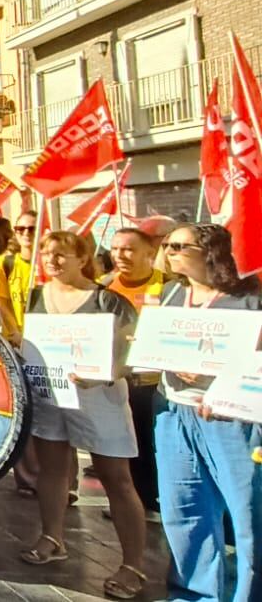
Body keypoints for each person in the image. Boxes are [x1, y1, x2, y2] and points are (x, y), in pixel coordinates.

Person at [19, 231, 145, 600]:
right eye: (47, 253)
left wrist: (106, 373)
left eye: (61, 254)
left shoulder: (109, 300)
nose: (52, 260)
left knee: (116, 478)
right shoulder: (35, 296)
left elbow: (133, 352)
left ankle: (133, 565)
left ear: (82, 259)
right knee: (52, 469)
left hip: (99, 398)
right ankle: (52, 538)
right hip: (50, 395)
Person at [154, 222, 261, 602]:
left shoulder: (249, 298)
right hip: (175, 413)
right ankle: (194, 595)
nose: (169, 252)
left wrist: (221, 380)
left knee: (249, 517)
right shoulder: (171, 293)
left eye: (179, 246)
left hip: (231, 420)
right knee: (184, 512)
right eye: (167, 245)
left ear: (211, 252)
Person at [103, 226, 177, 515]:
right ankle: (135, 502)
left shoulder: (171, 287)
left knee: (156, 445)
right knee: (126, 445)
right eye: (115, 248)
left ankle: (161, 501)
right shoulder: (102, 287)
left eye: (129, 249)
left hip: (156, 382)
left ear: (150, 253)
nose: (120, 255)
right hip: (117, 382)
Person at [0, 210, 38, 342]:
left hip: (43, 338)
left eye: (32, 229)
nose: (26, 233)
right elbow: (1, 305)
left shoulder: (49, 266)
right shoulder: (4, 263)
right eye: (20, 229)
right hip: (14, 339)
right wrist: (15, 333)